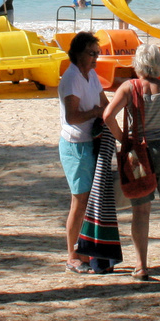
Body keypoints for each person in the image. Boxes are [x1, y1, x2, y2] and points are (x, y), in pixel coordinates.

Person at [103, 42, 160, 281]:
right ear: (159, 64)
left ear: (137, 64)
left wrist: (123, 138)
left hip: (138, 154)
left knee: (140, 211)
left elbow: (108, 116)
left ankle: (141, 266)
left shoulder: (128, 88)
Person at [59, 31, 107, 273]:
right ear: (78, 53)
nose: (95, 58)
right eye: (91, 53)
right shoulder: (72, 78)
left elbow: (104, 103)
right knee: (79, 200)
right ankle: (72, 255)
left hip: (92, 141)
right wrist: (96, 113)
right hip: (75, 144)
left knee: (91, 201)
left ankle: (86, 251)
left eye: (97, 54)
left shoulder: (91, 75)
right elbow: (73, 116)